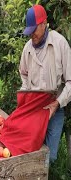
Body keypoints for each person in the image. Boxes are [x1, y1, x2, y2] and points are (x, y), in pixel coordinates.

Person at [19, 5, 71, 163]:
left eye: (35, 29)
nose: (32, 35)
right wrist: (26, 95)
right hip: (35, 107)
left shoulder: (59, 44)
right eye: (30, 31)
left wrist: (57, 104)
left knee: (51, 156)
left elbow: (70, 81)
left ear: (44, 24)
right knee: (33, 151)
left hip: (55, 106)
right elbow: (24, 73)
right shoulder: (27, 48)